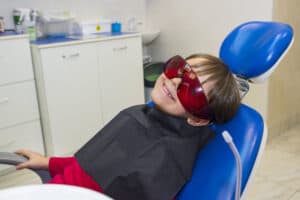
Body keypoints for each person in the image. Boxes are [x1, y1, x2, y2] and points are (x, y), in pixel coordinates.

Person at [15, 54, 241, 200]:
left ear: (198, 120)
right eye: (180, 71)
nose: (174, 82)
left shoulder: (169, 161)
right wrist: (48, 162)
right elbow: (96, 164)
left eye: (193, 90)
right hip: (53, 191)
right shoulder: (140, 115)